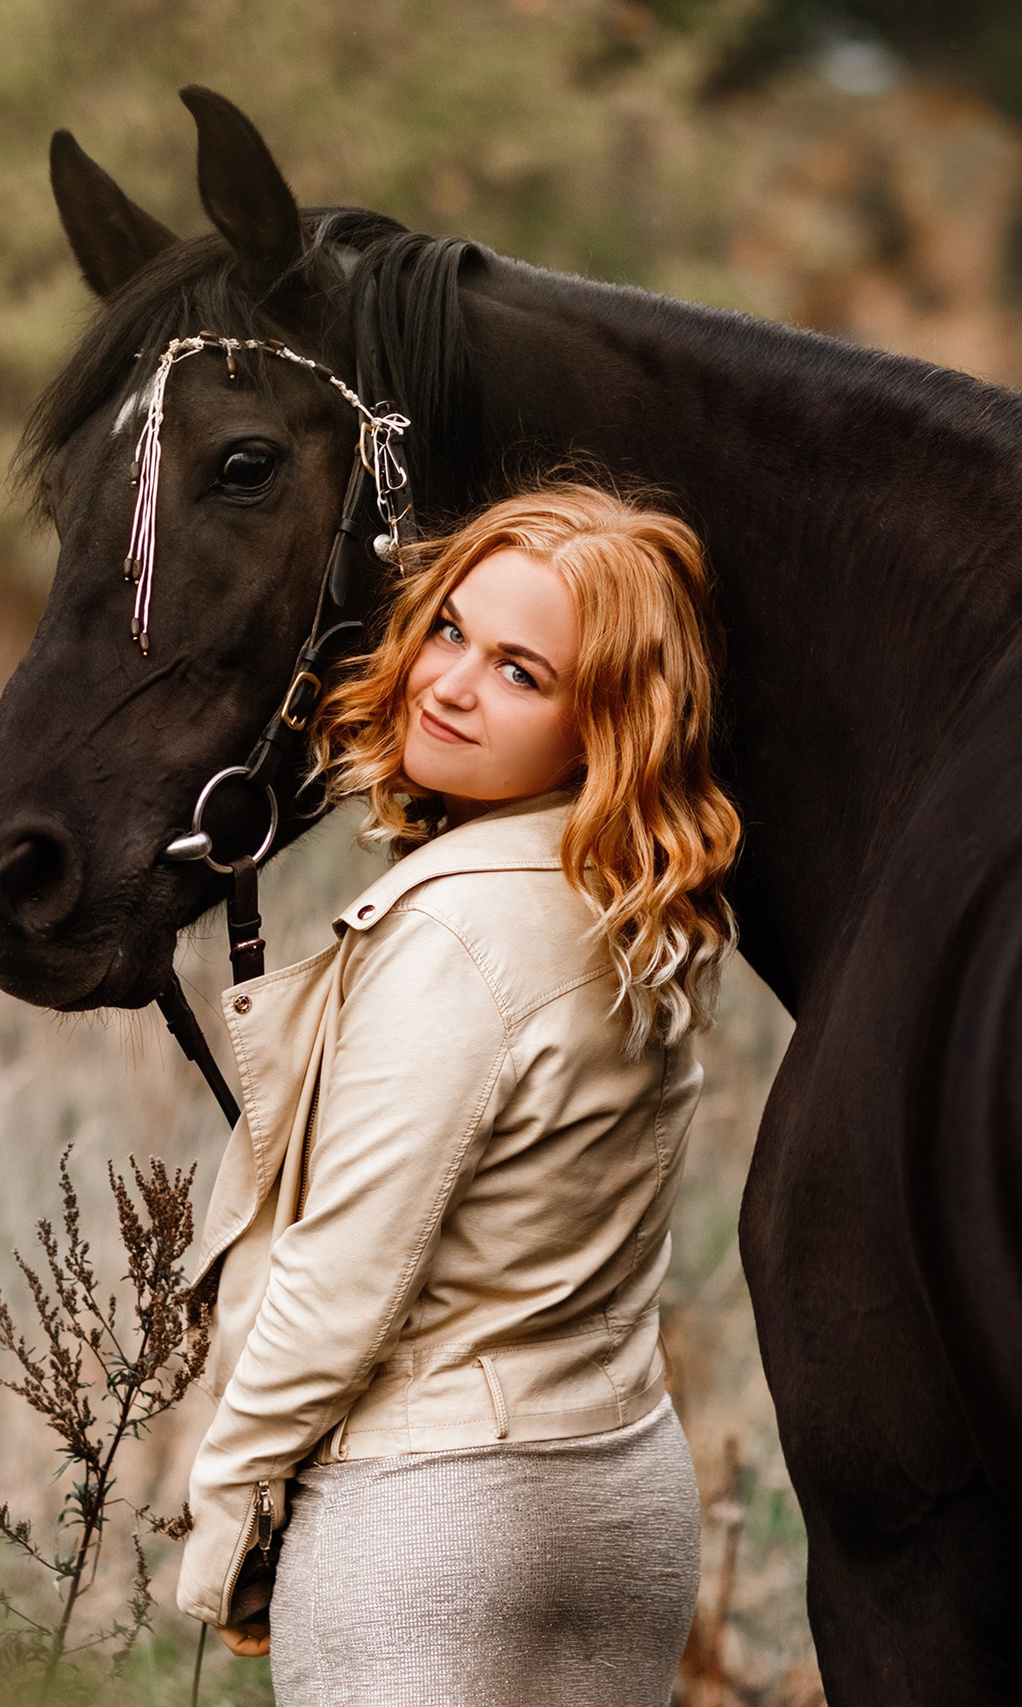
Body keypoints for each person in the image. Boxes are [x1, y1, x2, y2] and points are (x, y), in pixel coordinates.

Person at [173, 482, 745, 1706]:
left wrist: (226, 1509)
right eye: (449, 631)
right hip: (618, 1496)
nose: (448, 684)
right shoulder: (638, 911)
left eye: (522, 673)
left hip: (435, 1523)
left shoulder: (454, 936)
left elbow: (342, 1279)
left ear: (604, 726)